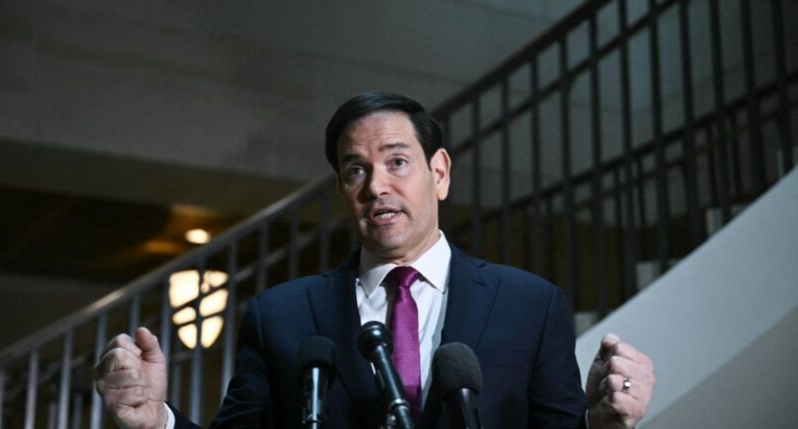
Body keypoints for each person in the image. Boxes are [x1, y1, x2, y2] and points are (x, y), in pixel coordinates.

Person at [95, 92, 655, 428]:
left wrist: (603, 425)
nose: (376, 186)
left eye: (396, 162)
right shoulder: (281, 316)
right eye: (356, 170)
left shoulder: (530, 305)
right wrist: (155, 420)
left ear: (439, 173)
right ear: (342, 189)